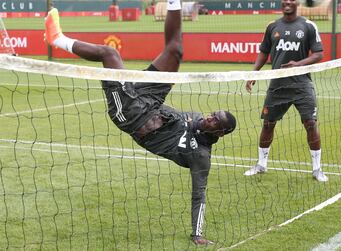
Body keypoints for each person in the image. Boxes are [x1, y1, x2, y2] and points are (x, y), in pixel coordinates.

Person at [45, 2, 236, 245]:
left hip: (131, 116)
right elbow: (173, 114)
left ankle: (57, 38)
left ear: (220, 132)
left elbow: (199, 195)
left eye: (214, 120)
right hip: (150, 100)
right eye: (213, 113)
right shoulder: (197, 117)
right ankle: (174, 2)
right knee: (176, 51)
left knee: (109, 54)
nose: (209, 117)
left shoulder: (201, 156)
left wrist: (197, 234)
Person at [243, 0, 328, 182]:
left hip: (301, 85)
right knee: (268, 124)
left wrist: (297, 65)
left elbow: (318, 53)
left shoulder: (308, 26)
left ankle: (317, 169)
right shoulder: (272, 26)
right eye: (284, 0)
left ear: (297, 2)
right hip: (277, 86)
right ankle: (261, 164)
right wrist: (253, 73)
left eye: (291, 0)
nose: (287, 2)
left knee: (311, 124)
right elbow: (264, 52)